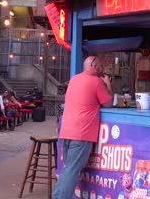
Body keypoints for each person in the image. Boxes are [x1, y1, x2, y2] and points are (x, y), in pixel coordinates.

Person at [53, 56, 113, 199]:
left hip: (67, 131)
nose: (101, 68)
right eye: (100, 65)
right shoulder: (97, 82)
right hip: (82, 133)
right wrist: (108, 84)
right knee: (72, 172)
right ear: (94, 66)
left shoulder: (74, 79)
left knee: (68, 170)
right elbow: (109, 103)